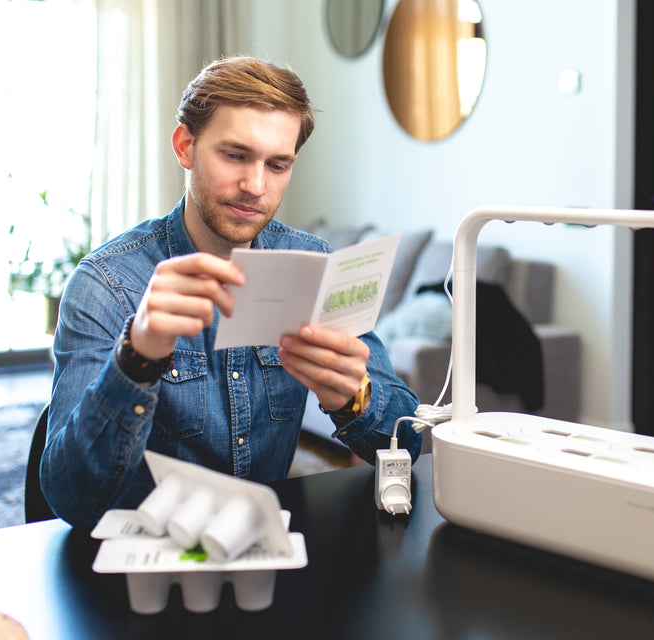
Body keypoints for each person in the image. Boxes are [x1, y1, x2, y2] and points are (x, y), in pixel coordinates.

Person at [41, 56, 422, 528]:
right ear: (185, 147)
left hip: (266, 550)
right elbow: (70, 496)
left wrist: (355, 398)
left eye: (277, 164)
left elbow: (412, 443)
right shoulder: (108, 283)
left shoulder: (314, 266)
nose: (255, 186)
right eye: (235, 155)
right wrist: (136, 358)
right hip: (139, 562)